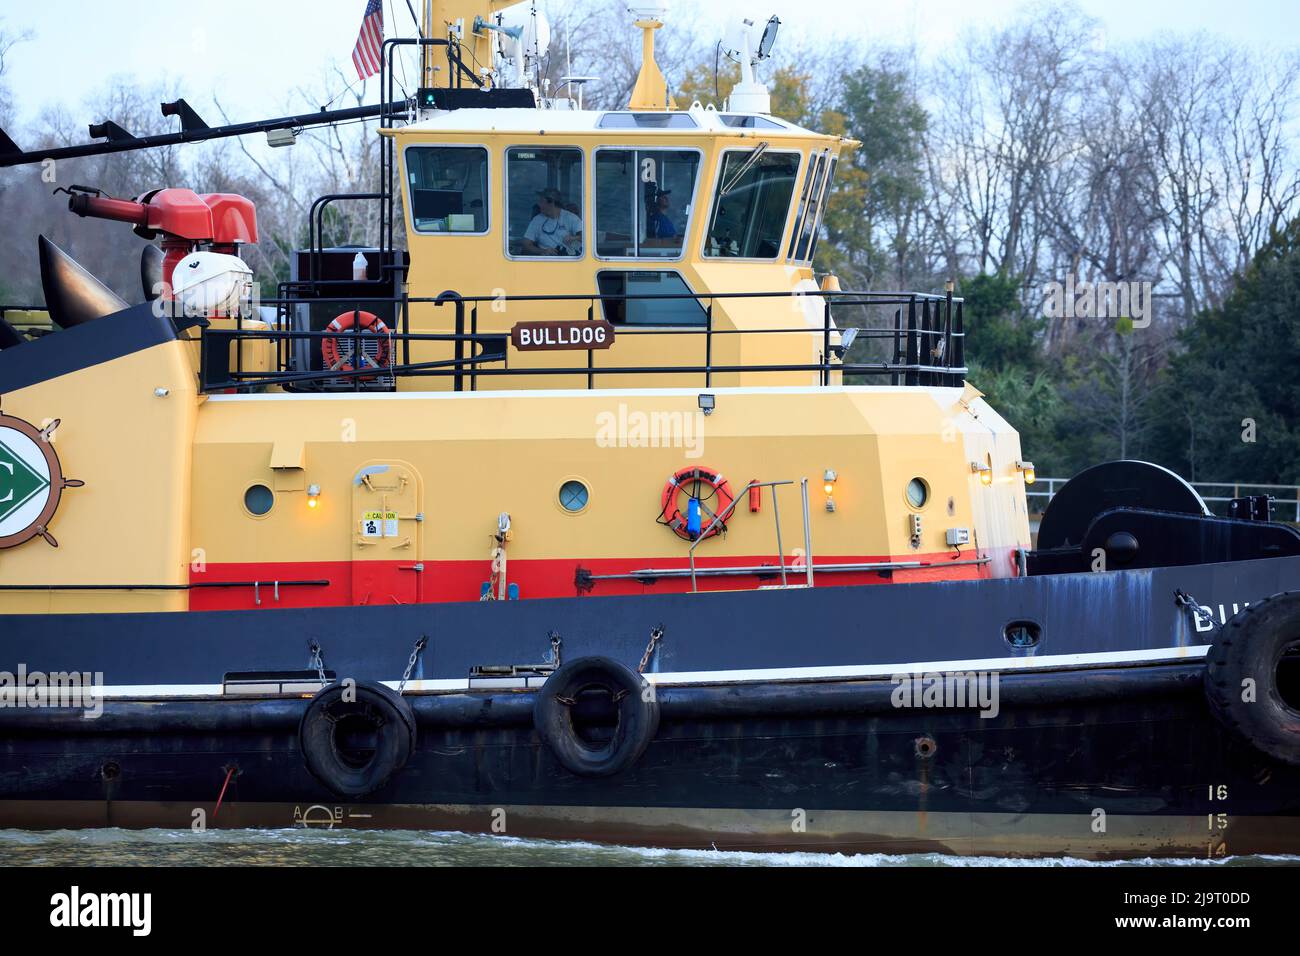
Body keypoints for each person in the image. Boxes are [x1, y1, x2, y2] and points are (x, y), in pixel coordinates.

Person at [522, 188, 583, 256]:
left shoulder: (570, 218)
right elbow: (526, 244)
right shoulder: (537, 220)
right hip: (546, 261)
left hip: (567, 259)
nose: (539, 204)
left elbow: (586, 237)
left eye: (541, 201)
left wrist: (574, 238)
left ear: (551, 202)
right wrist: (543, 251)